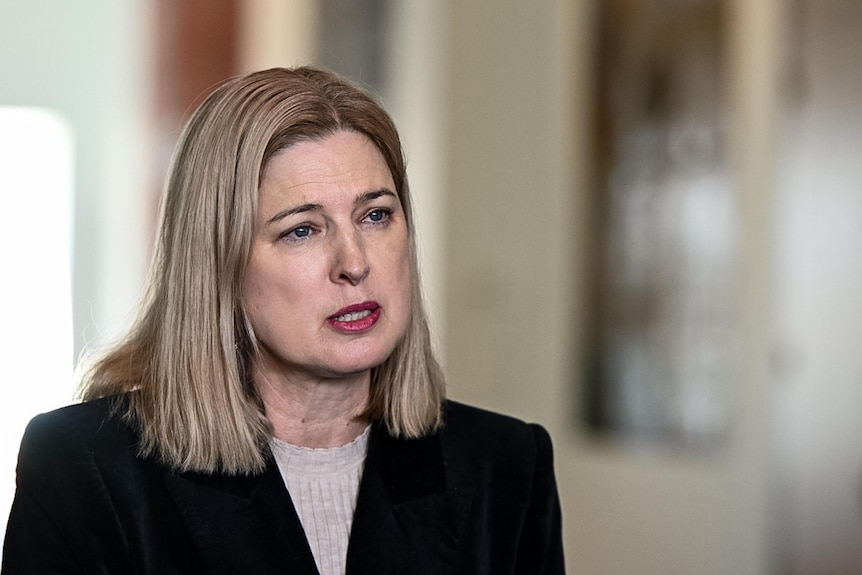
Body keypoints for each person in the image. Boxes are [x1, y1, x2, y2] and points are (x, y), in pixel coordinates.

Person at [1, 66, 564, 574]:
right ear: (216, 263)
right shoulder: (83, 466)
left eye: (376, 215)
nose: (355, 263)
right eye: (302, 229)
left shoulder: (507, 465)